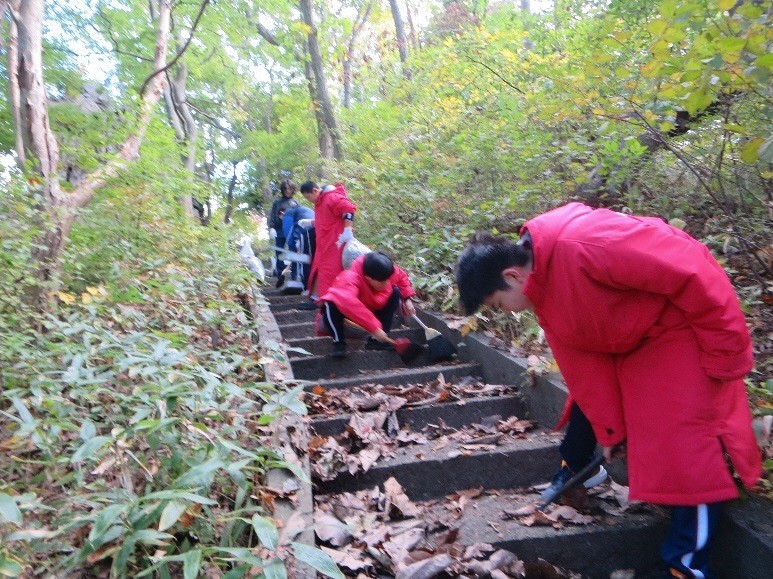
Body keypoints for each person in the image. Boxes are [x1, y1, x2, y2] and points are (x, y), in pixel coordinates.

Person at [455, 202, 762, 579]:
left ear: (512, 276)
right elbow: (583, 365)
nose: (507, 313)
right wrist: (611, 429)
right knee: (654, 437)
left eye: (498, 304)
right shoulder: (542, 288)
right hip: (633, 343)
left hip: (680, 326)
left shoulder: (587, 243)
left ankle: (688, 566)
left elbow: (693, 269)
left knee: (688, 445)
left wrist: (727, 350)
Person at [320, 251, 416, 358]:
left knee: (395, 291)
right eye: (383, 281)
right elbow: (348, 302)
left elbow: (401, 277)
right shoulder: (349, 277)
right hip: (353, 316)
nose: (387, 283)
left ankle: (376, 342)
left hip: (375, 309)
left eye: (388, 279)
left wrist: (407, 299)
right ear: (368, 278)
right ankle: (338, 343)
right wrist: (374, 327)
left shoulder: (385, 271)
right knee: (331, 301)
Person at [299, 181, 357, 309]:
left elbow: (349, 209)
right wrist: (311, 222)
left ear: (315, 190)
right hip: (324, 243)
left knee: (329, 271)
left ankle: (327, 300)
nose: (309, 201)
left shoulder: (332, 197)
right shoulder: (320, 201)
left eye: (308, 197)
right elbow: (327, 218)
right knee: (319, 269)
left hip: (335, 243)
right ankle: (316, 298)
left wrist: (348, 230)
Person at [279, 203, 316, 291]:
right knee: (312, 258)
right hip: (315, 230)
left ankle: (303, 283)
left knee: (301, 258)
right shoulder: (307, 209)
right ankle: (312, 285)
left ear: (281, 213)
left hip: (304, 231)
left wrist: (293, 247)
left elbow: (288, 231)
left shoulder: (288, 213)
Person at [268, 180, 298, 278]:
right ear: (282, 190)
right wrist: (271, 228)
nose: (287, 191)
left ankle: (295, 275)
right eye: (285, 189)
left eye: (290, 189)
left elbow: (299, 216)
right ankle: (280, 274)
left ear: (293, 190)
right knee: (279, 252)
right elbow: (273, 215)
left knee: (293, 251)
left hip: (291, 231)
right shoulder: (277, 202)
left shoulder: (295, 203)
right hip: (279, 230)